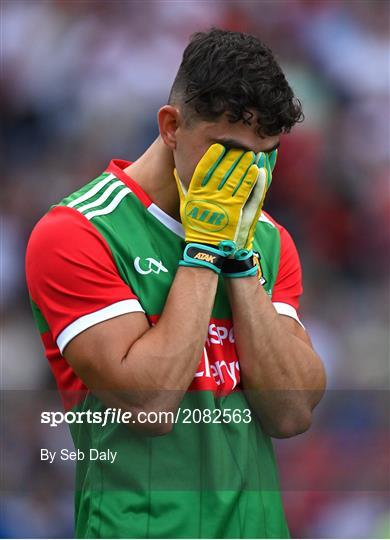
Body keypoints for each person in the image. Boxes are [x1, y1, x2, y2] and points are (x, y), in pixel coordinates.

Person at [26, 28, 326, 539]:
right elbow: (150, 405)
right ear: (171, 126)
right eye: (228, 150)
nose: (246, 175)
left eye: (263, 155)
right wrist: (204, 250)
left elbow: (292, 411)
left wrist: (240, 261)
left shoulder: (268, 241)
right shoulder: (78, 232)